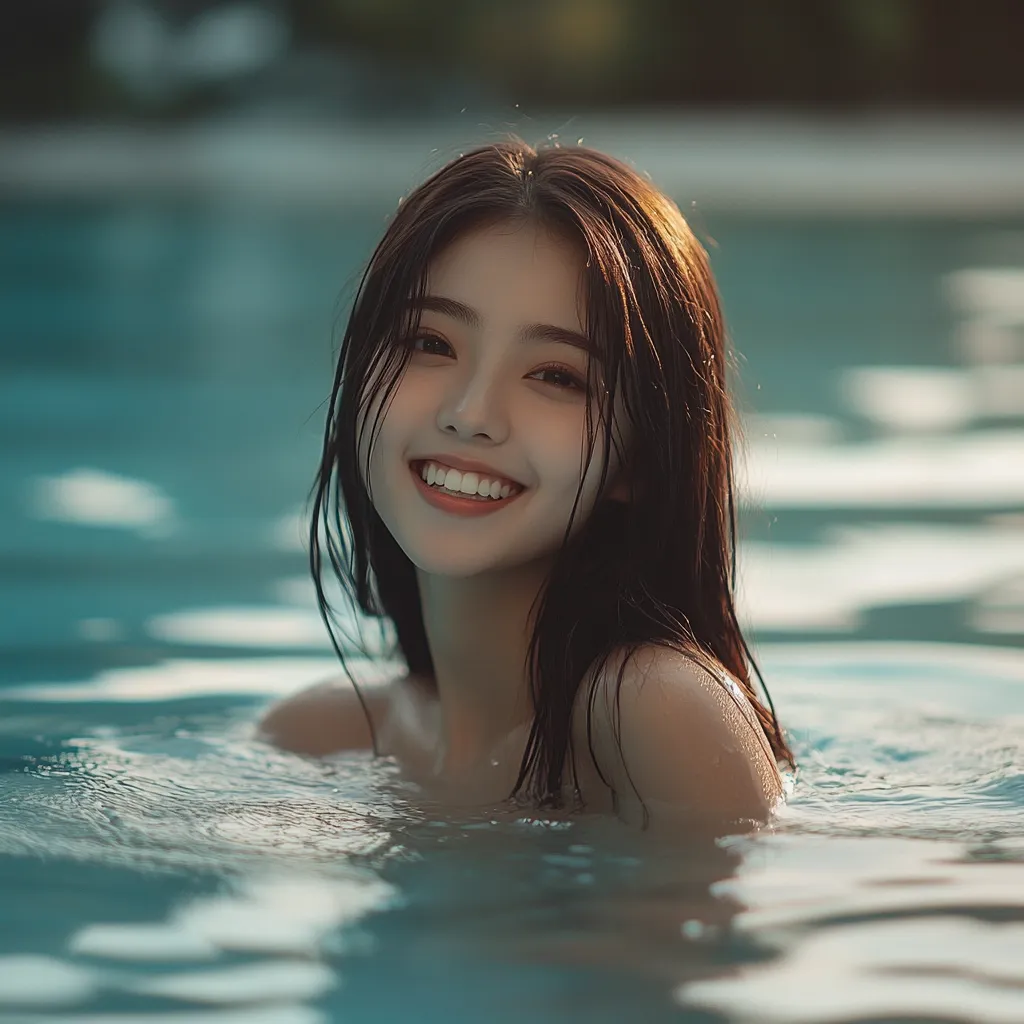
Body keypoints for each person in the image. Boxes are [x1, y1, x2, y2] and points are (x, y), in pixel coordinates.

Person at [260, 139, 794, 833]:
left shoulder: (655, 712)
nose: (471, 414)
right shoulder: (323, 738)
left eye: (557, 376)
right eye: (430, 342)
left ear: (639, 461)